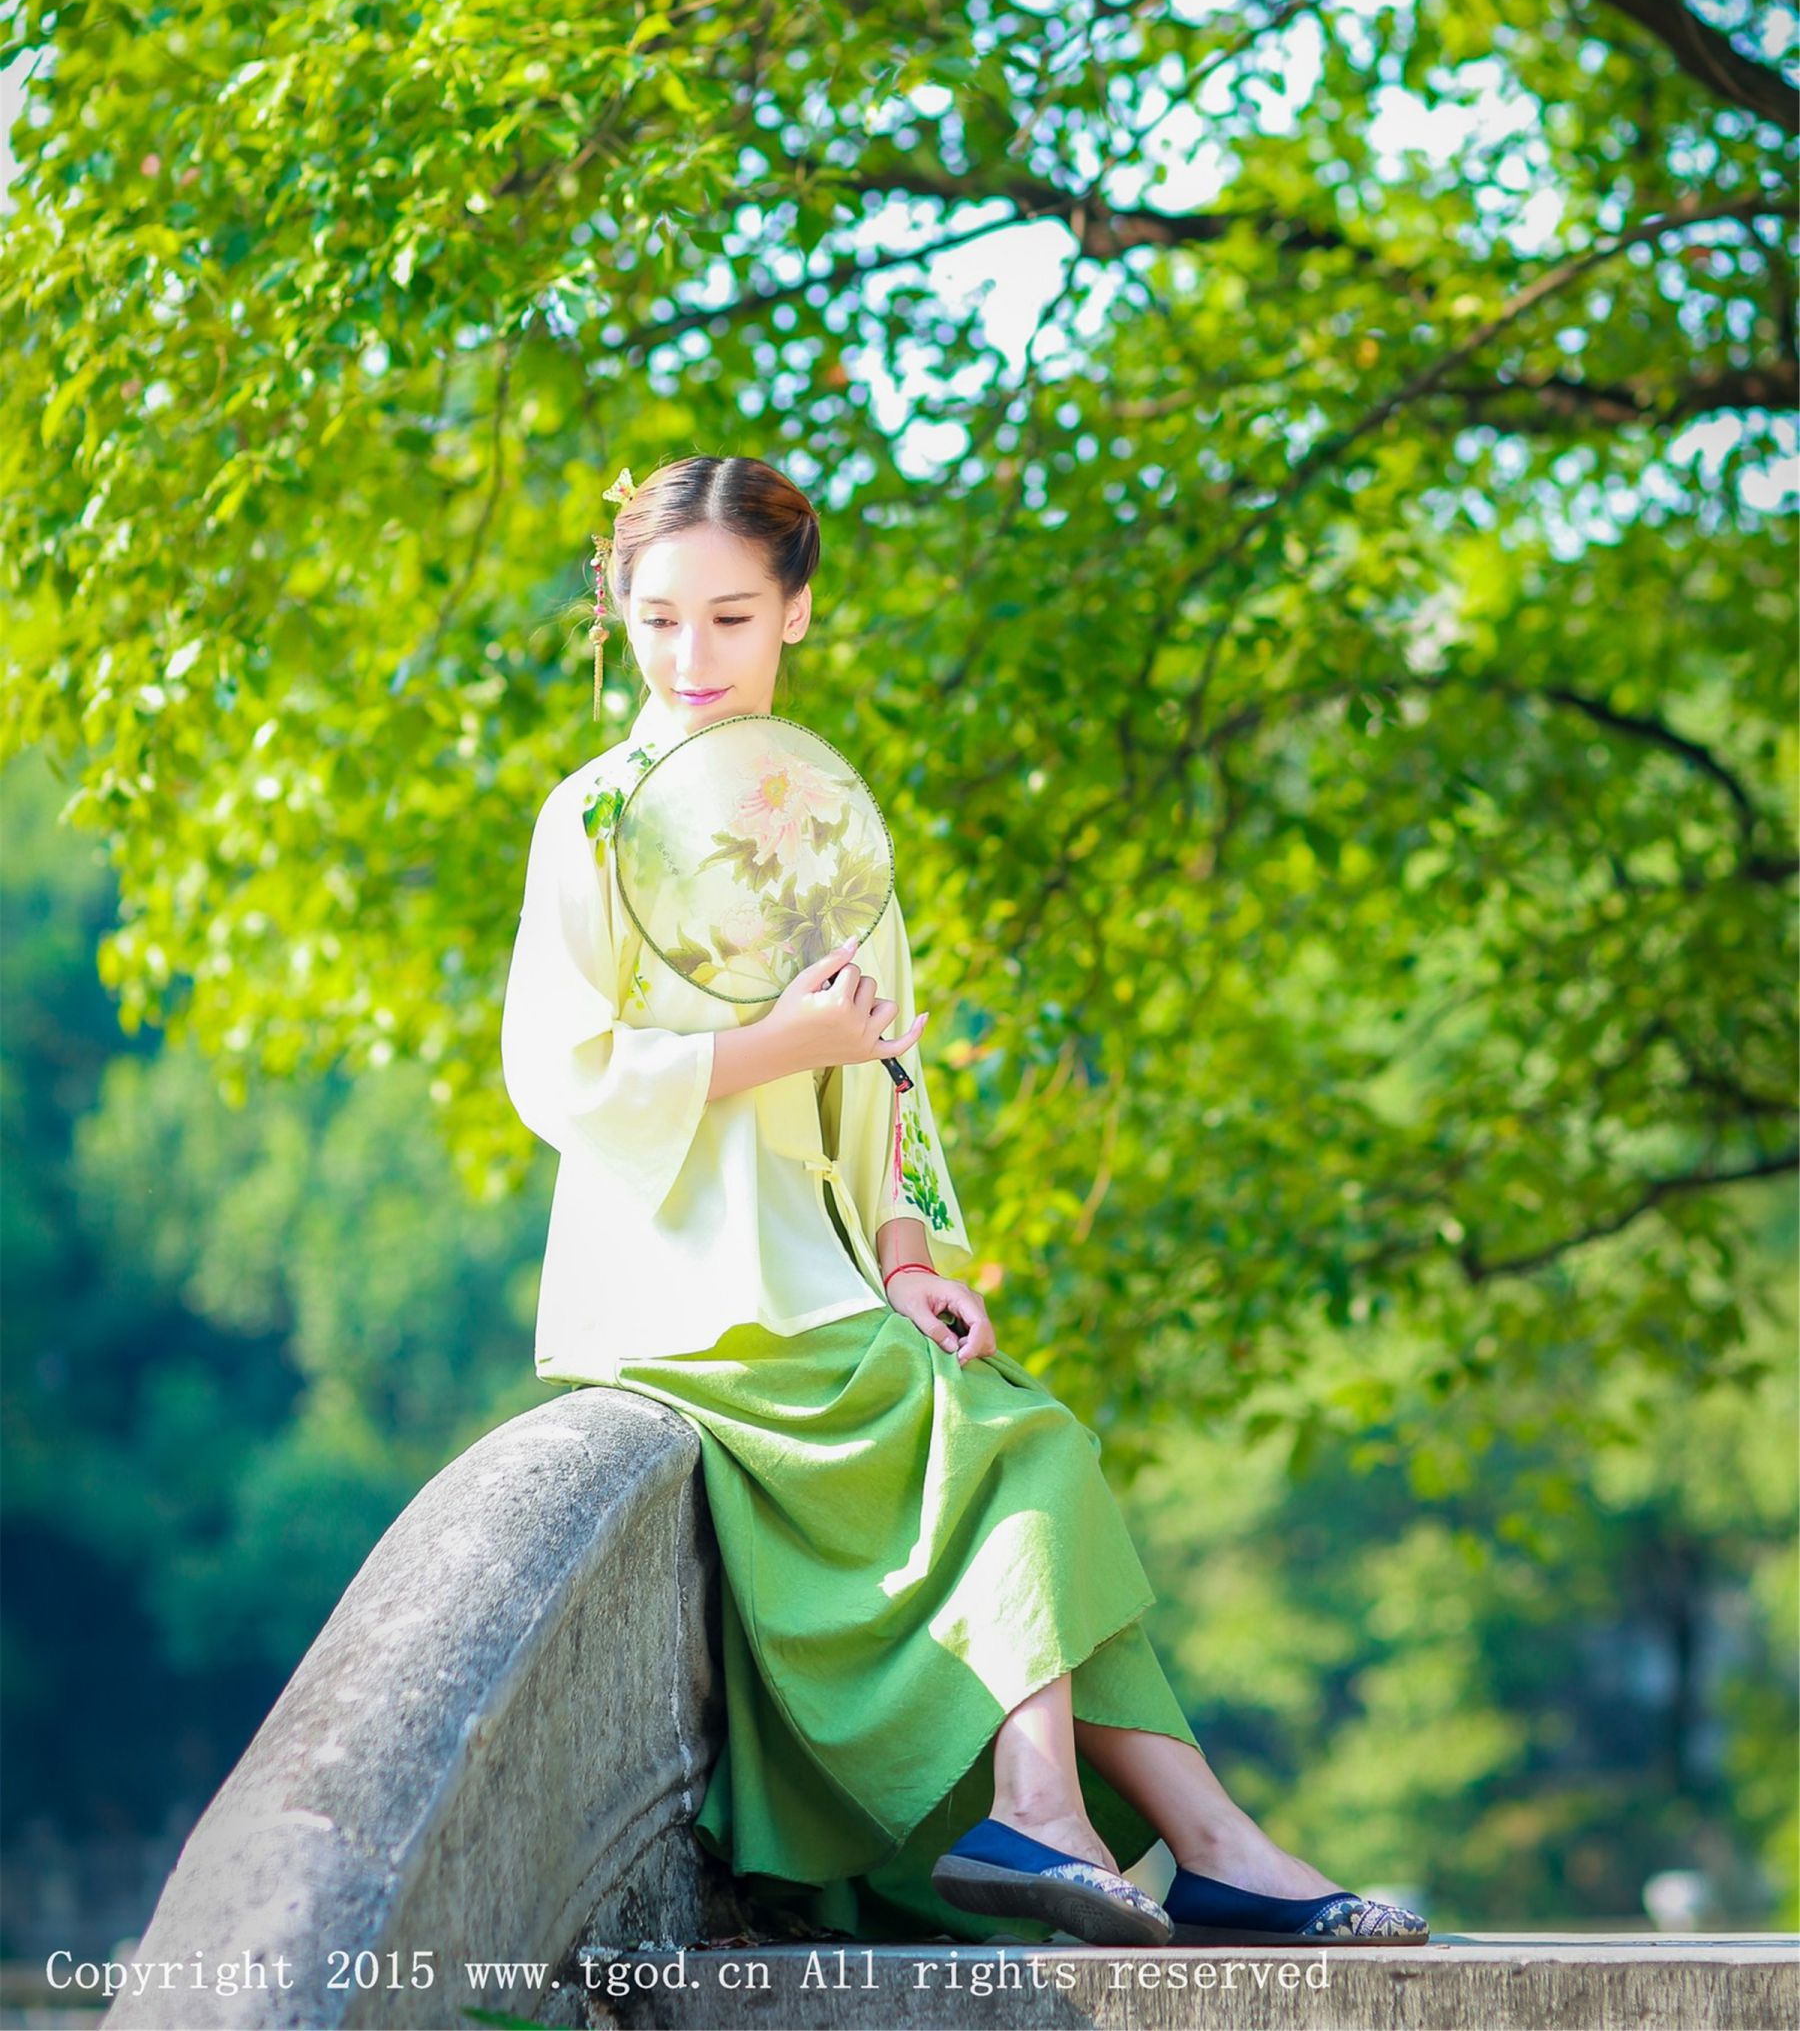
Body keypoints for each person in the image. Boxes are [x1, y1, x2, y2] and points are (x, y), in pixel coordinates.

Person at [500, 450, 1427, 1951]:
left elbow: (891, 1081)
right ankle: (1129, 1829)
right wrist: (781, 1039)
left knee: (1007, 1423)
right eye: (658, 619)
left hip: (827, 1279)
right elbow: (563, 1076)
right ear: (619, 609)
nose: (693, 658)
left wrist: (910, 1251)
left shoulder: (824, 821)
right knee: (1026, 1444)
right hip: (678, 1291)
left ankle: (1163, 1836)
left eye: (731, 619)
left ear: (797, 612)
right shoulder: (593, 819)